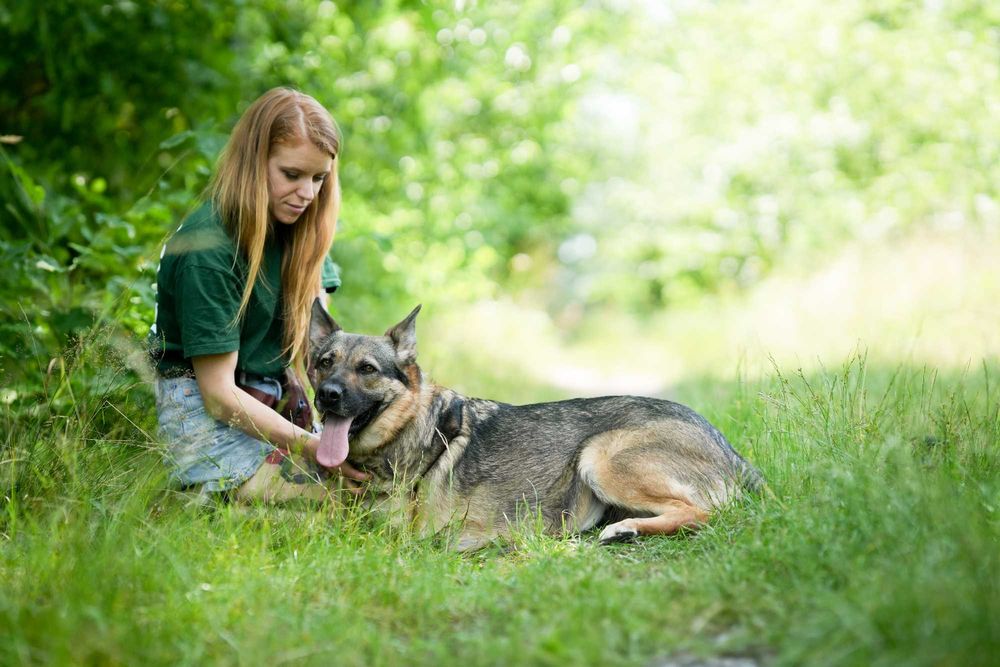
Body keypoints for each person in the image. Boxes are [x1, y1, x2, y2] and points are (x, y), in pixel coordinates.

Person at [149, 87, 367, 502]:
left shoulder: (301, 228)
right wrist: (310, 448)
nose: (307, 193)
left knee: (378, 483)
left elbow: (316, 348)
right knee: (338, 501)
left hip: (271, 394)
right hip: (203, 404)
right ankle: (202, 487)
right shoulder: (208, 249)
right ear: (253, 162)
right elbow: (217, 396)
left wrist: (337, 429)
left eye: (318, 178)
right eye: (292, 174)